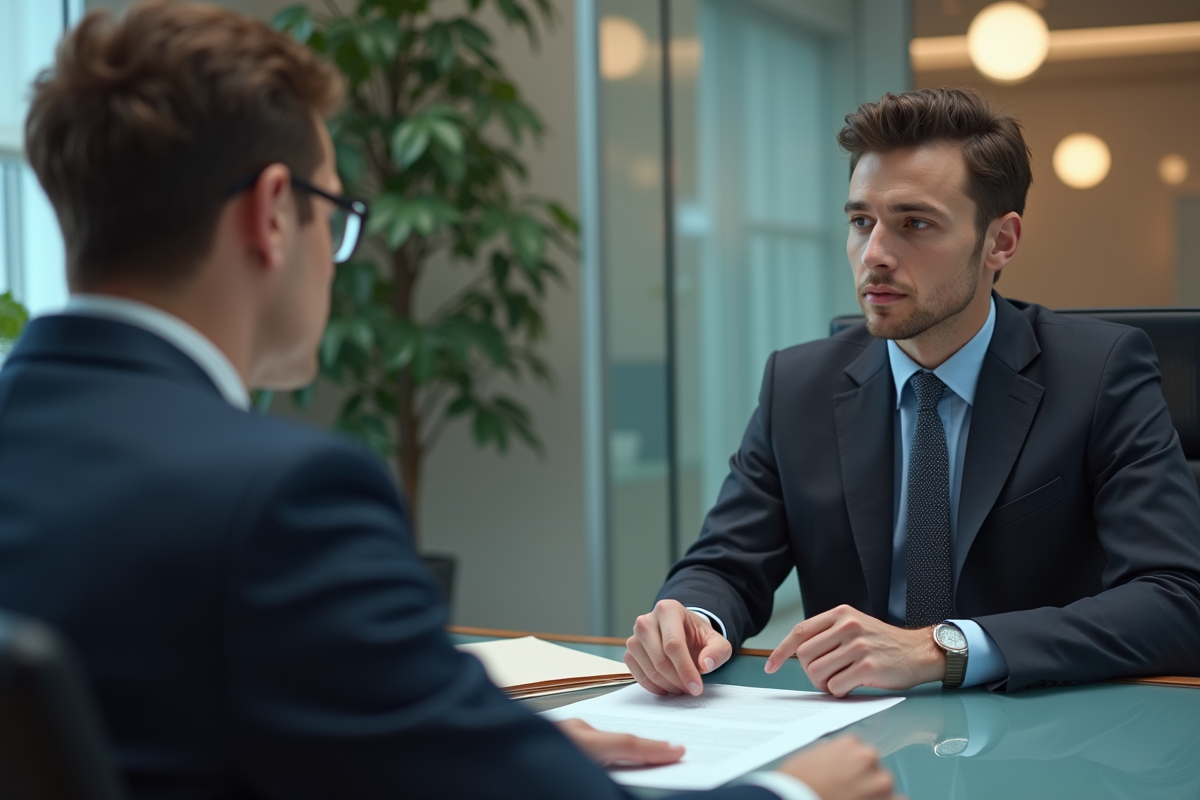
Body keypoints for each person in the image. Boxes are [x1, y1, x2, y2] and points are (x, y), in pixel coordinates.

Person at [0, 3, 900, 799]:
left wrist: (474, 743)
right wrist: (796, 793)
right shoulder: (277, 497)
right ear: (275, 213)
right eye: (333, 211)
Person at [625, 87, 1200, 699]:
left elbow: (1175, 599)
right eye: (860, 222)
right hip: (854, 737)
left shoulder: (1098, 373)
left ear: (1000, 242)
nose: (874, 255)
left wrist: (941, 647)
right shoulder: (797, 385)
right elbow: (724, 564)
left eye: (915, 224)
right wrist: (691, 619)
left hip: (1038, 730)